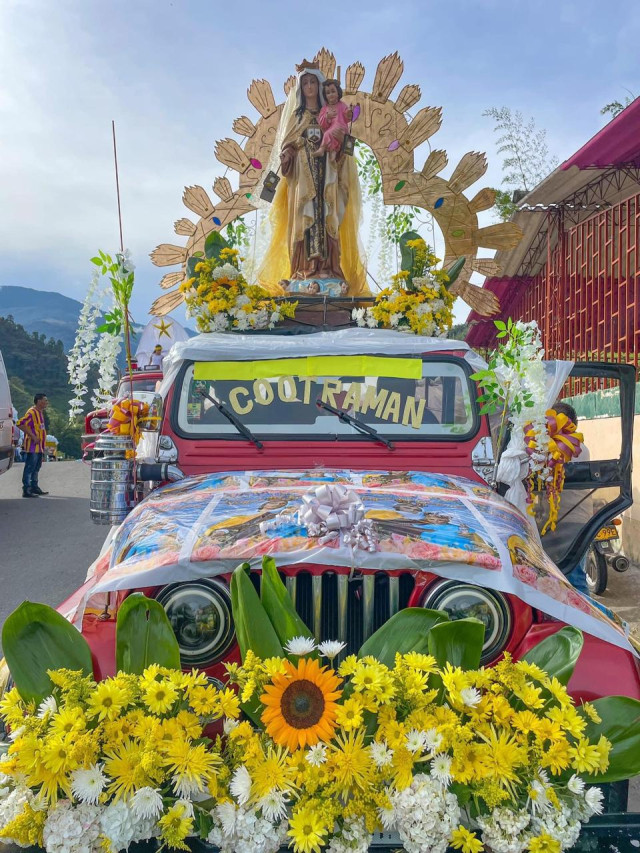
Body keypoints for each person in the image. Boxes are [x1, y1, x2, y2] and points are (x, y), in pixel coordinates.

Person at [257, 61, 367, 295]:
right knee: (304, 220)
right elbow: (288, 144)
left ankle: (328, 269)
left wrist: (337, 146)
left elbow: (342, 147)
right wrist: (288, 153)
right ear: (300, 88)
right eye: (304, 82)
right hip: (303, 179)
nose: (308, 86)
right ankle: (303, 271)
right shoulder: (297, 117)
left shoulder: (330, 113)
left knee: (328, 217)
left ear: (319, 86)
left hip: (327, 175)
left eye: (312, 82)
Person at [537, 401, 592, 595]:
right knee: (564, 575)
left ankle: (583, 622)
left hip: (570, 521)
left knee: (574, 577)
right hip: (570, 520)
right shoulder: (576, 446)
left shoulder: (570, 448)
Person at [16, 393, 49, 498]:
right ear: (39, 401)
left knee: (37, 467)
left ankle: (34, 487)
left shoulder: (40, 412)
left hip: (40, 446)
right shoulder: (32, 412)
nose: (46, 402)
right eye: (45, 400)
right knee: (30, 467)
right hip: (32, 446)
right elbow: (20, 423)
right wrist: (33, 436)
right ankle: (26, 489)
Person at [312, 79, 353, 160]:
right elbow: (322, 123)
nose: (330, 95)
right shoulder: (324, 109)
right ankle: (331, 151)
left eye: (333, 91)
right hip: (331, 129)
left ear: (338, 93)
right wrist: (327, 117)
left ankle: (324, 150)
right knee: (329, 133)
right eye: (328, 93)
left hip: (341, 127)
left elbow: (349, 148)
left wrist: (349, 113)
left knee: (328, 133)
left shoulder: (341, 105)